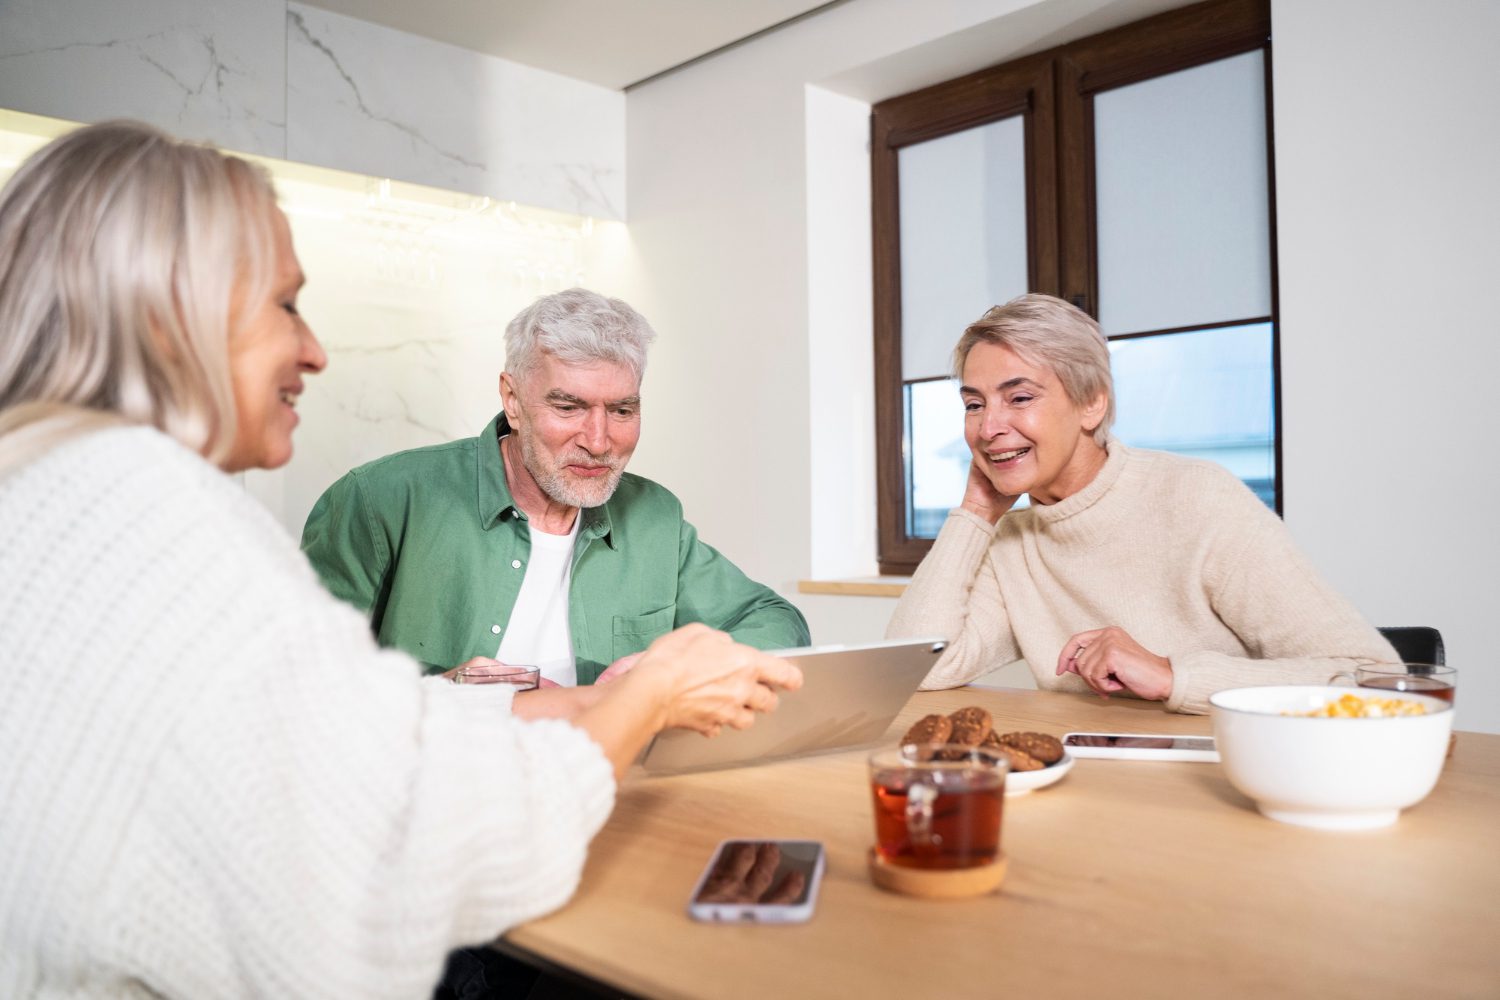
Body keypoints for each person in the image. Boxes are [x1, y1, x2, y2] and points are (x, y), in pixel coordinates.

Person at [0, 121, 801, 999]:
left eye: (624, 411)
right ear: (169, 313)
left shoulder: (58, 495)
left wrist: (599, 697)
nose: (314, 350)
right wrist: (642, 696)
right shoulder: (188, 532)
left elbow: (294, 749)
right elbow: (389, 867)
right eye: (285, 302)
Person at [886, 293, 1395, 714]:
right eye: (974, 404)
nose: (988, 427)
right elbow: (916, 668)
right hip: (1095, 792)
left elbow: (1375, 679)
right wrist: (976, 511)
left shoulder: (1197, 498)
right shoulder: (1012, 539)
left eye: (1019, 398)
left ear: (1092, 403)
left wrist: (1173, 676)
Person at [300, 287, 811, 684]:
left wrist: (677, 671)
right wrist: (437, 693)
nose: (598, 440)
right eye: (568, 407)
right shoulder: (381, 500)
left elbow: (775, 621)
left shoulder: (656, 516)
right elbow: (300, 677)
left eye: (622, 410)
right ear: (514, 400)